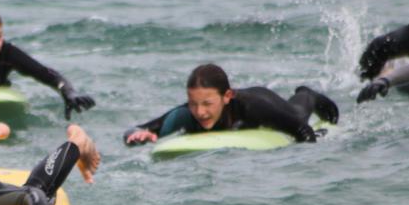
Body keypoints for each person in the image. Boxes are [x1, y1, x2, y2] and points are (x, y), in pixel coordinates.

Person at [122, 64, 340, 145]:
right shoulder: (186, 113)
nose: (200, 112)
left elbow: (303, 130)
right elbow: (137, 129)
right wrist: (138, 136)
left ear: (227, 96)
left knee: (299, 113)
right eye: (193, 103)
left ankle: (306, 92)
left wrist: (310, 146)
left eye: (207, 104)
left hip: (263, 99)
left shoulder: (253, 109)